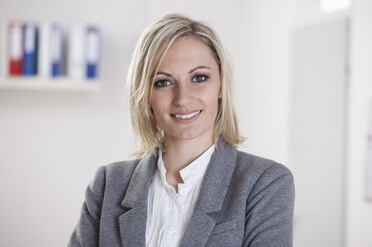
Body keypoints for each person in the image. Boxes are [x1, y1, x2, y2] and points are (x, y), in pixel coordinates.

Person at [68, 14, 294, 247]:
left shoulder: (264, 182)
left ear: (220, 85)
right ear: (145, 94)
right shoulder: (108, 185)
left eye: (199, 77)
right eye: (163, 82)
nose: (183, 99)